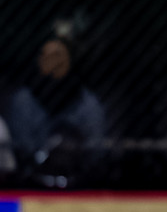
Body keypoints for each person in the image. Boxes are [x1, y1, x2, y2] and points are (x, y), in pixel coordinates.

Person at [6, 37, 107, 187]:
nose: (54, 62)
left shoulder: (87, 103)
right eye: (47, 56)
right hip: (32, 182)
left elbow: (95, 151)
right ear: (39, 61)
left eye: (58, 56)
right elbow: (21, 149)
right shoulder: (23, 100)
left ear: (70, 61)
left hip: (78, 184)